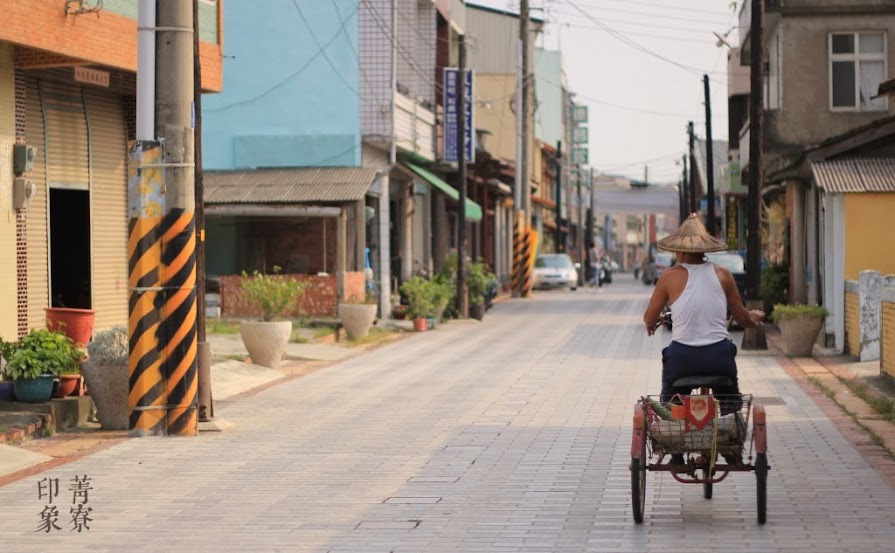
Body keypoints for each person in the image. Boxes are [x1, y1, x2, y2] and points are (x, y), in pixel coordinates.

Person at [642, 213, 764, 409]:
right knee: (730, 402)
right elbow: (742, 317)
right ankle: (729, 421)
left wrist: (652, 323)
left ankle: (674, 420)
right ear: (704, 250)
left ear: (680, 252)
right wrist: (753, 319)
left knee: (671, 404)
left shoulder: (669, 276)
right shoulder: (723, 274)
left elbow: (649, 317)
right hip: (719, 357)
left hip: (682, 359)